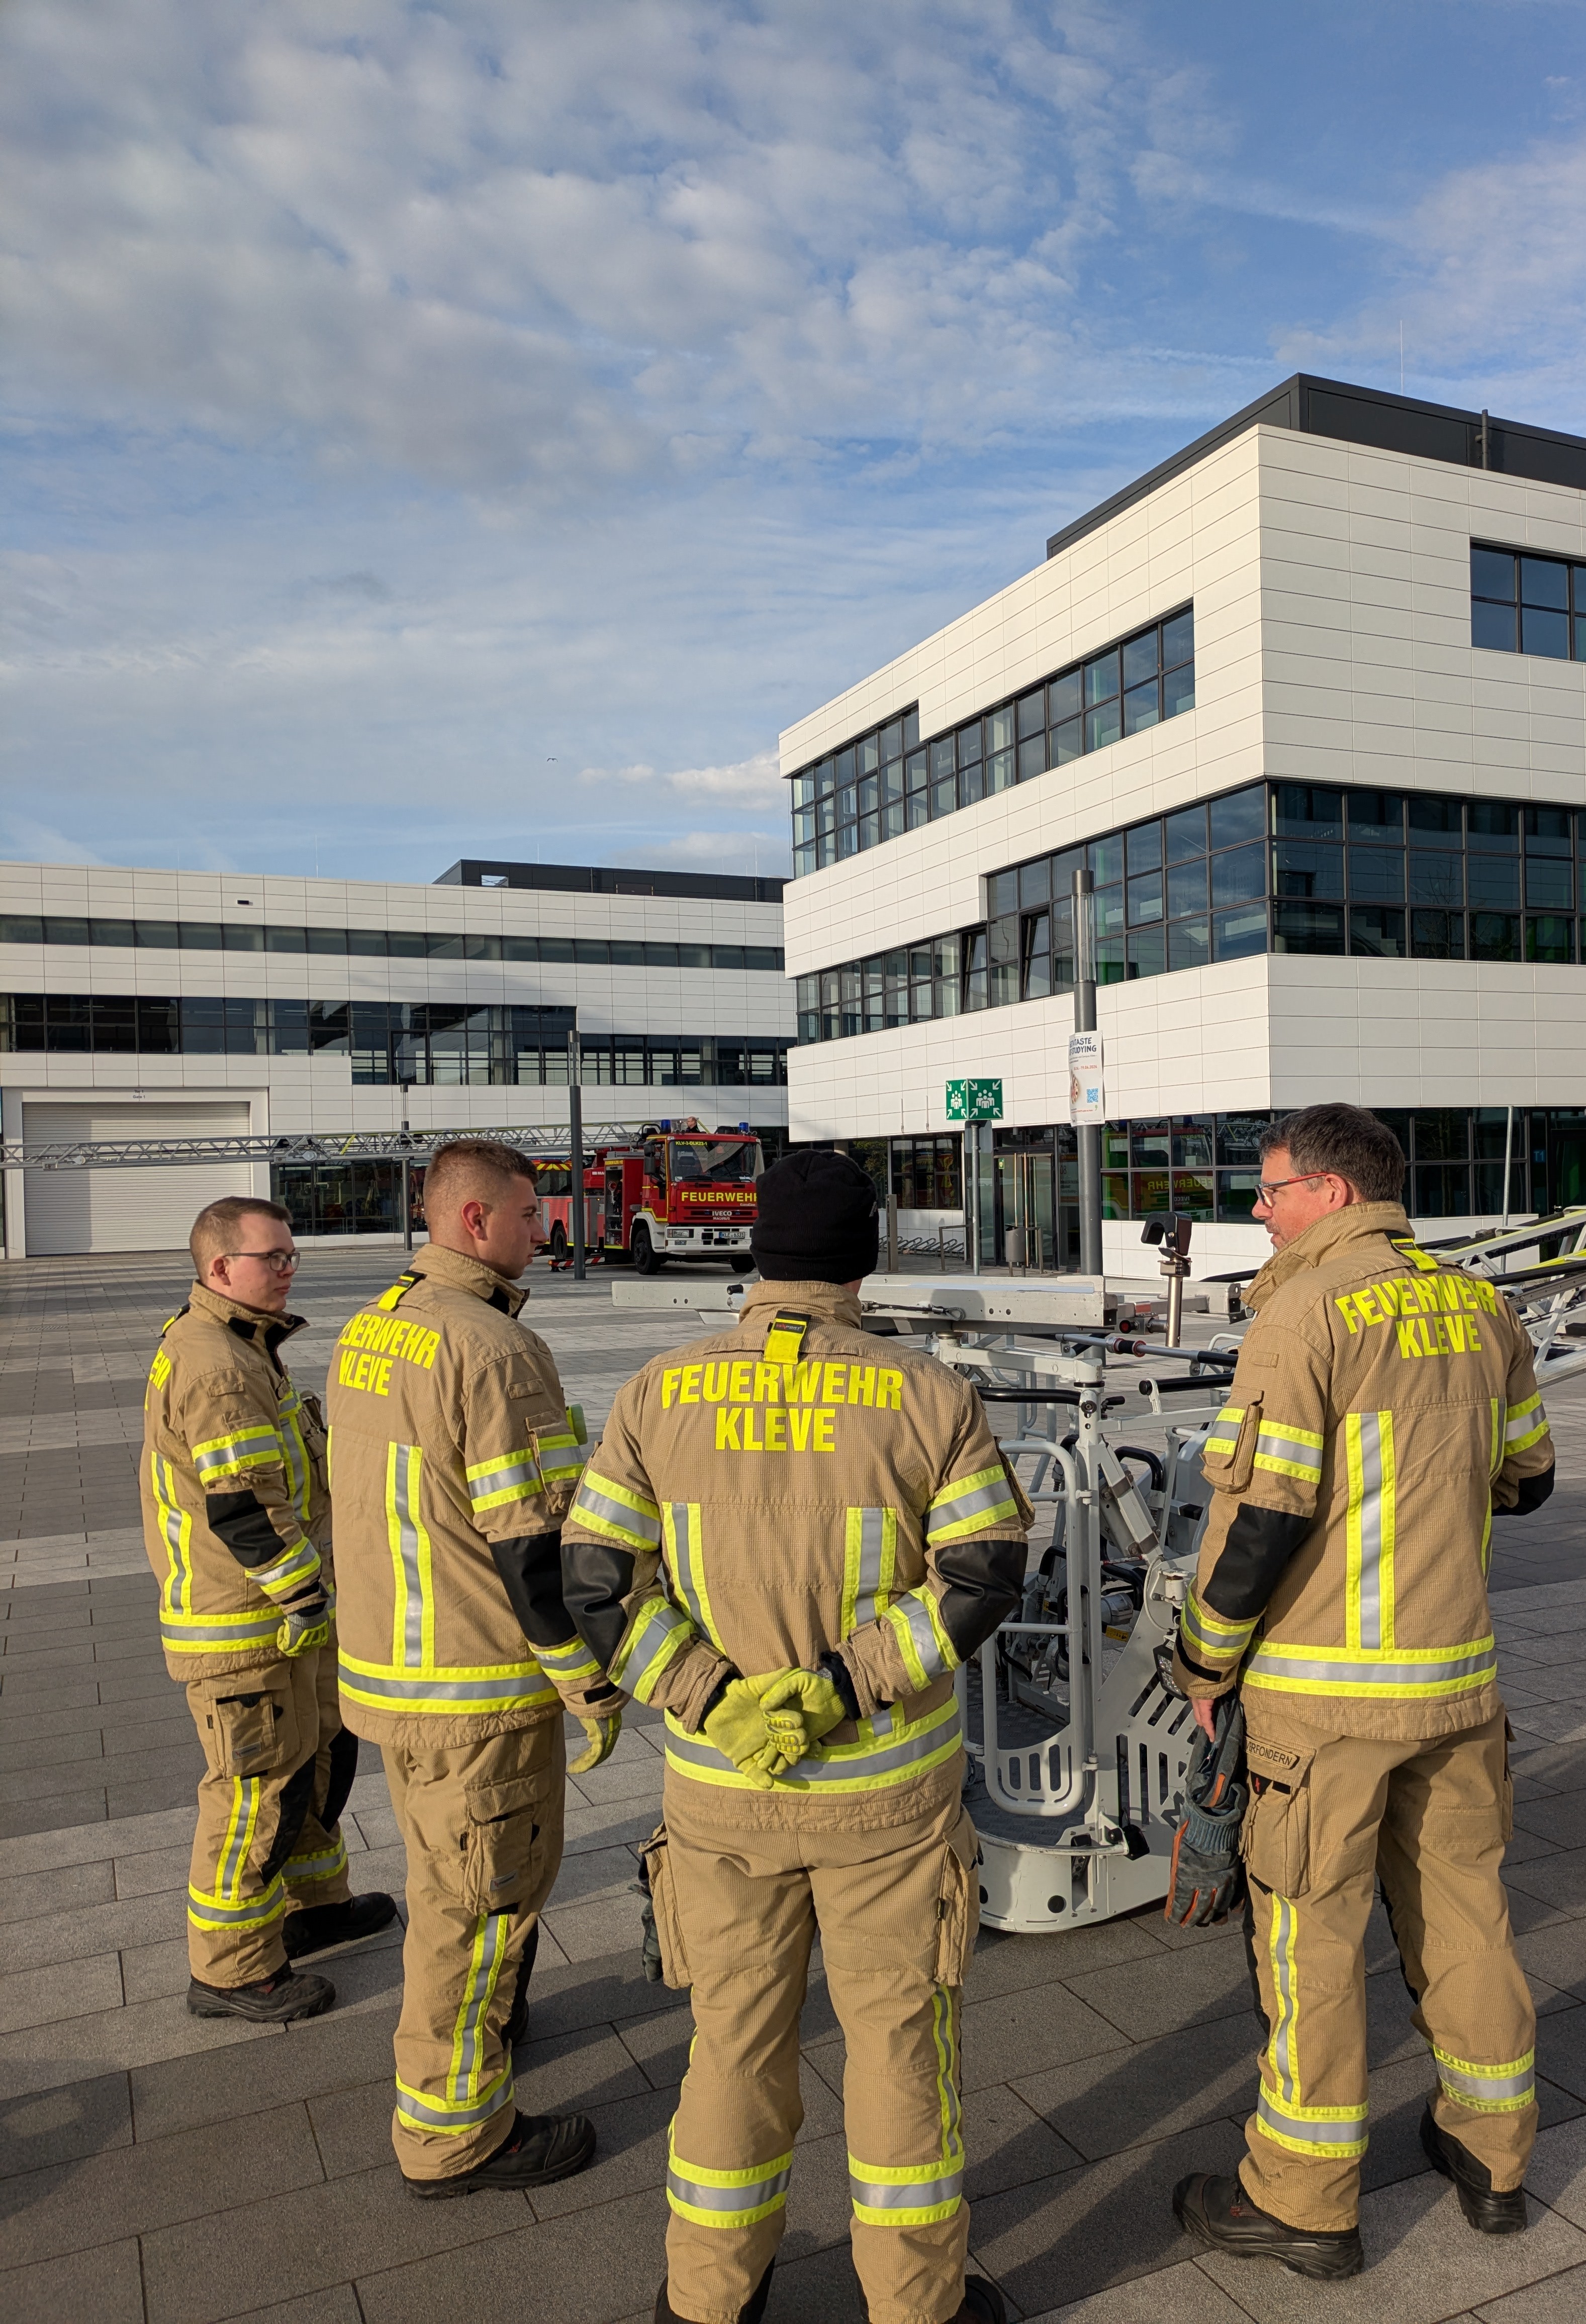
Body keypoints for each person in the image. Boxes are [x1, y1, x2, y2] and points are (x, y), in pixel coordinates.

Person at [559, 1148, 1031, 2324]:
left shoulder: (659, 1391)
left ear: (757, 1251)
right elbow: (982, 1572)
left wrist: (714, 1695)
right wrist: (840, 1684)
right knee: (900, 2051)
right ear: (863, 1260)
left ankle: (707, 2299)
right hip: (888, 1801)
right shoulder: (928, 1392)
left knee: (729, 2044)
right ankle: (915, 2302)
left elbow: (597, 1580)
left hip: (722, 1796)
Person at [1170, 1104, 1555, 2279]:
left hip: (1324, 1703)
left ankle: (1304, 2197)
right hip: (1457, 1684)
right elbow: (1530, 1477)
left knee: (1311, 1943)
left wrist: (1203, 1662)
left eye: (1272, 1188)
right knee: (1467, 1914)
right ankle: (1493, 2157)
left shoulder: (1302, 1313)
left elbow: (1261, 1518)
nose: (1259, 1210)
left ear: (1331, 1192)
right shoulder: (1481, 1304)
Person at [326, 1138, 618, 2197]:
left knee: (446, 1877)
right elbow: (531, 1543)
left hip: (398, 1674)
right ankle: (455, 2132)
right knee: (478, 1906)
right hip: (477, 1684)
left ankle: (486, 2036)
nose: (546, 1230)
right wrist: (586, 1677)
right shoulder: (492, 1347)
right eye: (531, 1215)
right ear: (475, 1221)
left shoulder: (373, 1324)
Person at [140, 1196, 396, 2023]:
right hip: (248, 1626)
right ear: (220, 1268)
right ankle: (231, 1969)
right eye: (271, 1257)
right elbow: (246, 1508)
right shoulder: (217, 1365)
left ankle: (314, 1906)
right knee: (256, 1793)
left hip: (279, 1621)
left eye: (292, 1255)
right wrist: (307, 1596)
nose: (288, 1269)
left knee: (315, 1763)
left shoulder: (241, 1344)